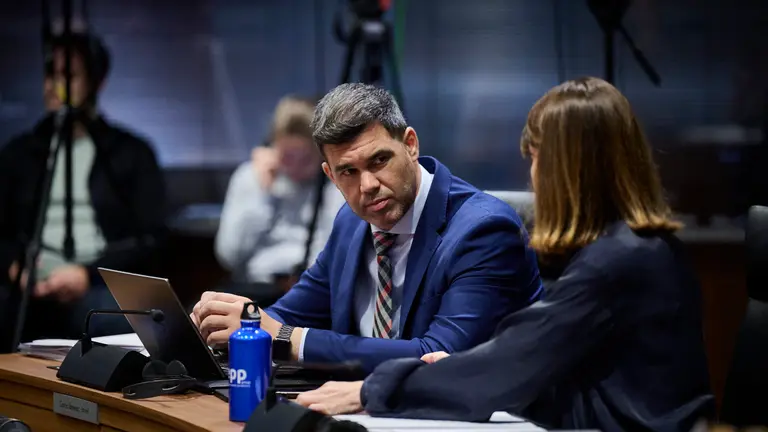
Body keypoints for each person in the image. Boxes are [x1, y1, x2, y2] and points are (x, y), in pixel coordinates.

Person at [294, 77, 715, 431]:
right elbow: (537, 367)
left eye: (535, 157)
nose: (532, 174)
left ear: (564, 166)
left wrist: (370, 390)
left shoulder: (618, 261)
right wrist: (457, 369)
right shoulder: (635, 248)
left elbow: (510, 367)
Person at [191, 83, 542, 373]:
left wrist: (287, 339)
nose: (368, 185)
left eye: (379, 160)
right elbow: (289, 314)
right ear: (330, 175)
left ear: (410, 145)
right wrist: (237, 321)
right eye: (348, 171)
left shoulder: (483, 230)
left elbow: (441, 356)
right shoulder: (351, 221)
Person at [0, 31, 166, 347]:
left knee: (110, 320)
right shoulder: (19, 153)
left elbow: (151, 238)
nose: (53, 85)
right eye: (49, 74)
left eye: (68, 75)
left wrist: (86, 274)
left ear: (96, 82)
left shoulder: (130, 152)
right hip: (29, 283)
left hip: (95, 281)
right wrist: (14, 266)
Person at [215, 95, 345, 299]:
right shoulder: (250, 177)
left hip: (314, 288)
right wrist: (262, 195)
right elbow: (229, 256)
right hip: (257, 288)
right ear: (273, 145)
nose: (295, 167)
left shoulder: (335, 183)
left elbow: (338, 253)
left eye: (305, 159)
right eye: (287, 156)